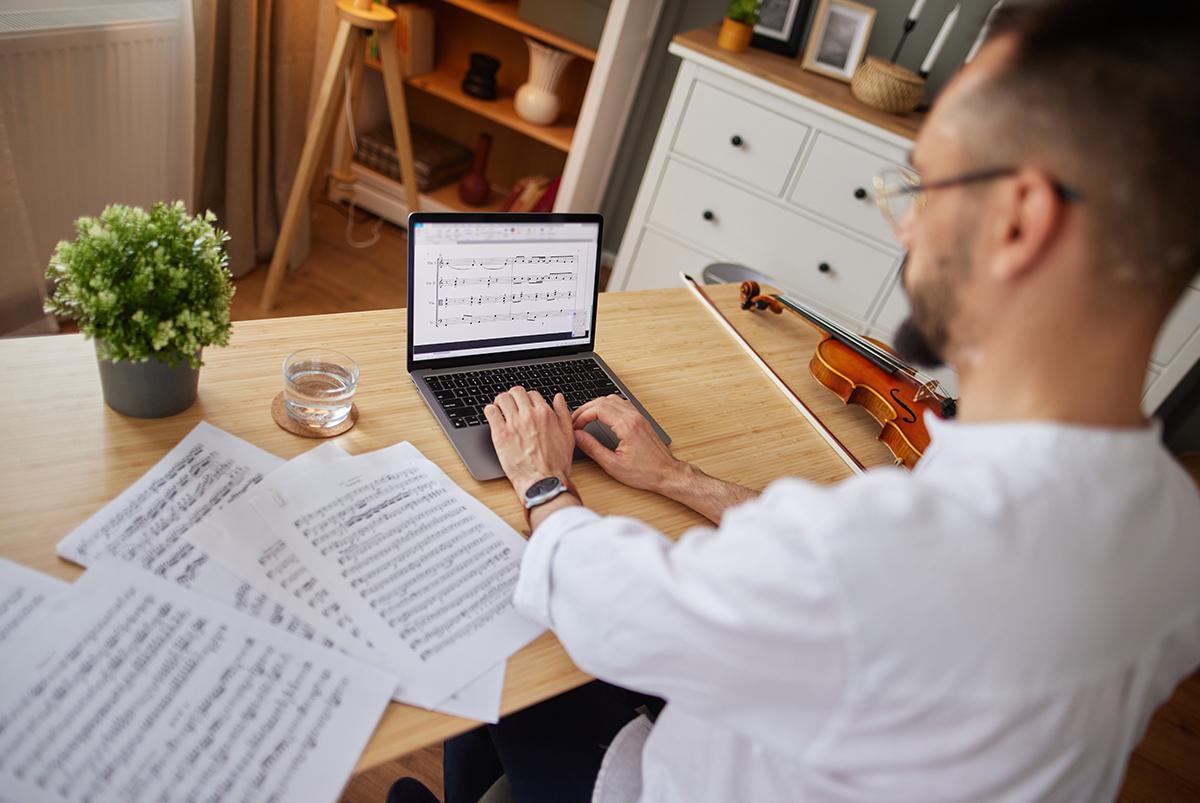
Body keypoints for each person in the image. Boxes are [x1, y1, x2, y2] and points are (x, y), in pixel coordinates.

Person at [391, 0, 1200, 800]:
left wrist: (543, 483)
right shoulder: (1176, 529)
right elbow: (827, 605)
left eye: (928, 186)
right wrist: (678, 478)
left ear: (1019, 221)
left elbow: (610, 609)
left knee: (509, 625)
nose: (905, 229)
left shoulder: (886, 551)